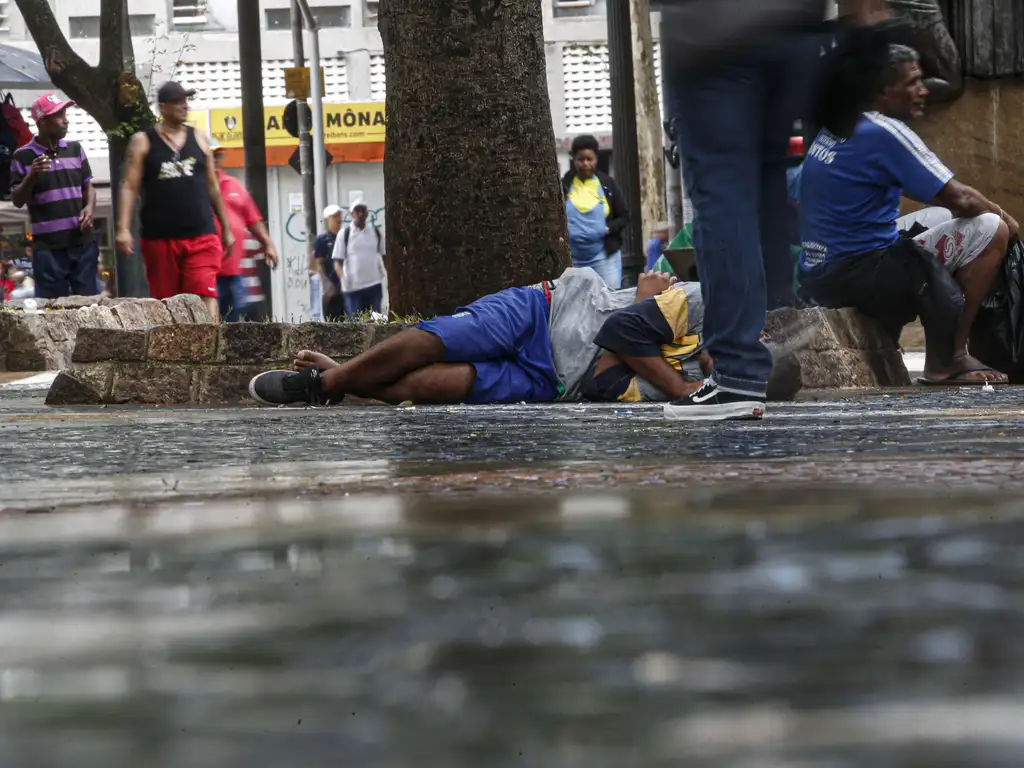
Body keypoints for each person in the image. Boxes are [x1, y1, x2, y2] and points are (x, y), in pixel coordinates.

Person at [798, 45, 1017, 386]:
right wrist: (1009, 219)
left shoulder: (843, 121)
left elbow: (937, 195)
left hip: (821, 273)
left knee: (942, 215)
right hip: (857, 275)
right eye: (913, 82)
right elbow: (961, 196)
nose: (923, 90)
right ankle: (948, 358)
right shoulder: (883, 132)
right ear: (883, 90)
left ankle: (947, 350)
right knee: (992, 229)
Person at [248, 269, 710, 407]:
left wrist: (635, 332)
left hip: (553, 383)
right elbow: (618, 332)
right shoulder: (706, 305)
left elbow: (604, 384)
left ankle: (340, 376)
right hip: (546, 310)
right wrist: (679, 388)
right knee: (430, 342)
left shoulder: (709, 391)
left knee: (430, 387)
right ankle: (323, 387)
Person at [115, 81, 233, 322]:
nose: (184, 106)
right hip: (160, 239)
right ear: (163, 107)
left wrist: (226, 227)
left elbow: (212, 185)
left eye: (186, 101)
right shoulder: (143, 141)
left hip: (202, 235)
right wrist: (122, 228)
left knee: (204, 292)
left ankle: (212, 353)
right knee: (167, 304)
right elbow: (129, 184)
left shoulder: (199, 138)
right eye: (178, 102)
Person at [9, 93, 97, 298]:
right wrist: (32, 175)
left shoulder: (75, 149)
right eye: (59, 115)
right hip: (48, 249)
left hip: (82, 244)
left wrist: (90, 208)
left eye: (65, 113)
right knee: (53, 308)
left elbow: (88, 188)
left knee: (90, 305)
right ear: (43, 121)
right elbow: (17, 200)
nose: (66, 119)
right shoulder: (22, 156)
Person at [209, 139, 278, 321]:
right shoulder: (197, 187)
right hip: (208, 272)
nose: (216, 159)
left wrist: (268, 244)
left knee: (235, 321)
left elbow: (253, 219)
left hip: (235, 271)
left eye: (218, 155)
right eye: (211, 155)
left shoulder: (233, 184)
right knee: (211, 320)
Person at [561, 135, 628, 289]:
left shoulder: (607, 184)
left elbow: (624, 216)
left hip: (604, 258)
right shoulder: (565, 184)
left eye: (589, 159)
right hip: (575, 260)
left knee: (610, 299)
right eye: (581, 159)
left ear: (596, 158)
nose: (586, 164)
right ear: (573, 159)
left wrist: (607, 228)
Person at [332, 200, 386, 317]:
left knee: (376, 322)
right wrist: (343, 279)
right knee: (355, 325)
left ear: (367, 214)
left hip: (374, 285)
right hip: (352, 288)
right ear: (352, 214)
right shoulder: (344, 234)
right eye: (357, 211)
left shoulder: (375, 232)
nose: (360, 214)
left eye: (363, 211)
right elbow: (337, 262)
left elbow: (384, 255)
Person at [311, 204, 345, 320]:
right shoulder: (322, 240)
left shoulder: (346, 237)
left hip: (347, 288)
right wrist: (327, 285)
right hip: (331, 289)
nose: (338, 219)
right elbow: (317, 264)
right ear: (328, 219)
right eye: (334, 216)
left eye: (339, 216)